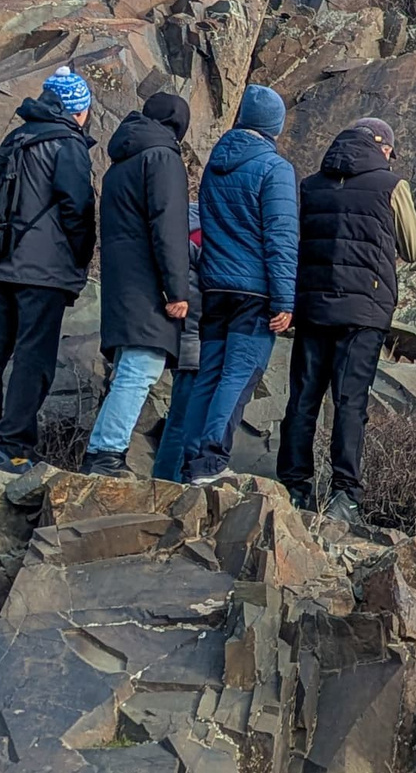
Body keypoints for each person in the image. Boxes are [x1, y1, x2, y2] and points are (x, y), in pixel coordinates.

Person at [278, 117, 416, 519]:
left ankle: (293, 486)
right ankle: (344, 495)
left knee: (304, 398)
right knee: (349, 402)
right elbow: (414, 247)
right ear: (383, 149)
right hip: (363, 312)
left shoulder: (310, 185)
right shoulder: (391, 185)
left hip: (313, 307)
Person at [0, 67, 97, 468]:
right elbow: (77, 209)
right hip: (42, 270)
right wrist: (80, 256)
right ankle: (13, 444)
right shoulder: (67, 145)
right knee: (32, 357)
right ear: (78, 111)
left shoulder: (15, 138)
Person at [183, 84, 298, 484]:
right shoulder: (275, 169)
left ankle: (190, 459)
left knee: (210, 372)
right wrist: (285, 300)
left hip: (215, 285)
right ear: (274, 126)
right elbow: (281, 236)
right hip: (256, 291)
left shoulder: (216, 163)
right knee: (239, 374)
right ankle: (211, 461)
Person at [80, 92, 194, 477]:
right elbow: (169, 228)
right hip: (148, 284)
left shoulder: (121, 164)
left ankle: (101, 451)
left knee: (131, 366)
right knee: (141, 368)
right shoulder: (163, 159)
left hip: (121, 280)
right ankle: (106, 454)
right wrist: (177, 290)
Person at [151, 201, 206, 480]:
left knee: (178, 419)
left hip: (183, 341)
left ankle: (162, 480)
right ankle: (174, 481)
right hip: (199, 342)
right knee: (187, 421)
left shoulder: (177, 238)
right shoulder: (202, 238)